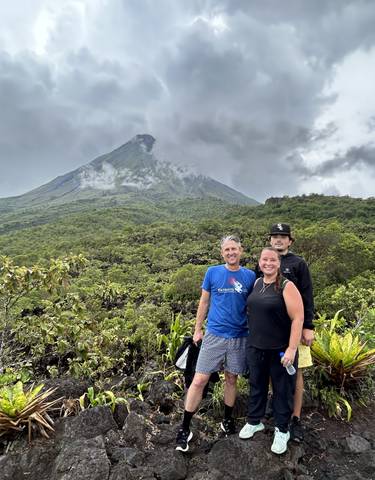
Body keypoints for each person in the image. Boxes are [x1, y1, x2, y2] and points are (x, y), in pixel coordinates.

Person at [175, 235, 256, 452]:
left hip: (240, 335)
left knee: (231, 378)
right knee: (199, 379)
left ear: (241, 251)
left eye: (234, 249)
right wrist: (197, 329)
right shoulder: (212, 272)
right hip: (215, 334)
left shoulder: (249, 276)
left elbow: (254, 306)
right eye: (227, 249)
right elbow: (204, 301)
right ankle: (185, 427)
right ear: (222, 253)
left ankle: (227, 419)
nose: (231, 252)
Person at [239, 247, 304, 454]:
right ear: (259, 263)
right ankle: (254, 420)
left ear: (279, 263)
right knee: (256, 384)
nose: (268, 263)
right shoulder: (257, 283)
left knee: (282, 390)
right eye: (264, 260)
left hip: (280, 350)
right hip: (256, 347)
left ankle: (282, 429)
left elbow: (298, 319)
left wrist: (292, 349)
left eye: (272, 260)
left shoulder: (287, 286)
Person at [268, 223, 314, 442]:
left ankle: (295, 418)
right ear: (270, 240)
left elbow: (307, 296)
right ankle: (275, 407)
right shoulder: (265, 262)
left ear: (290, 241)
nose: (278, 239)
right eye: (275, 236)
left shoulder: (298, 263)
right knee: (272, 370)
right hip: (271, 329)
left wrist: (308, 327)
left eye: (283, 236)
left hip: (295, 328)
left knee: (296, 373)